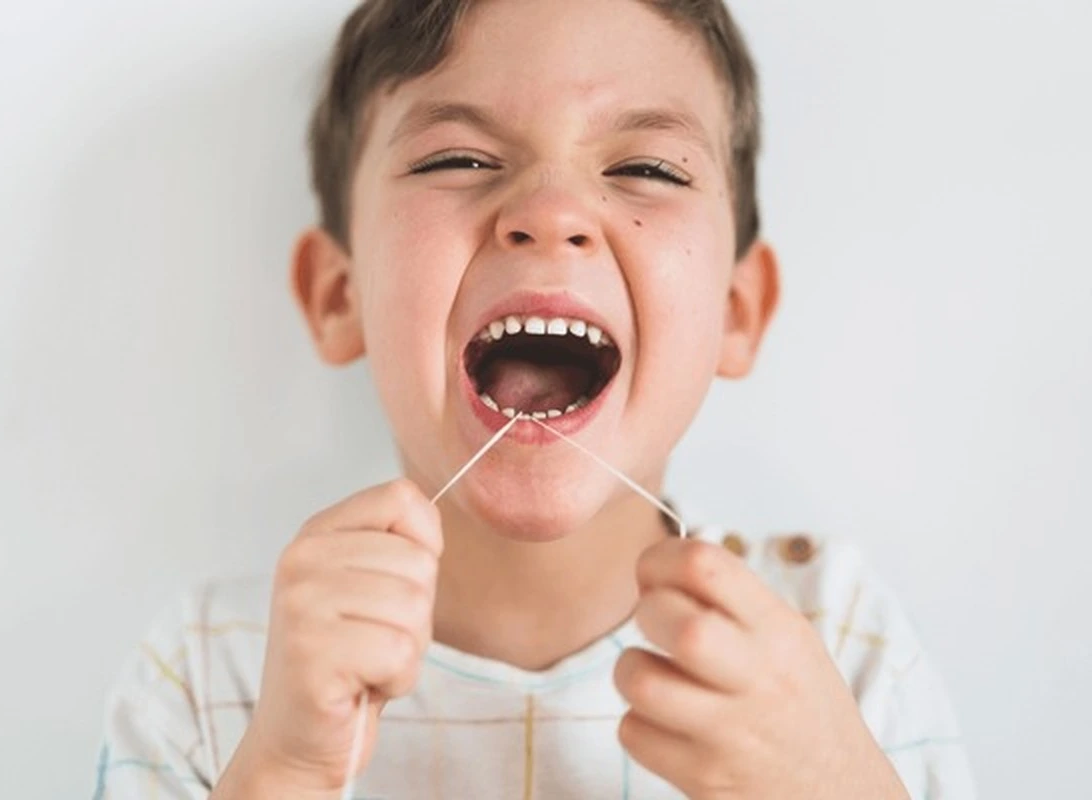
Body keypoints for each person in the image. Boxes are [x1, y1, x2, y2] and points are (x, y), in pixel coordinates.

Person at [95, 0, 977, 797]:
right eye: (458, 157)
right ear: (339, 295)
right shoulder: (214, 675)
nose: (550, 212)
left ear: (736, 313)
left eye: (646, 169)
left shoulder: (836, 642)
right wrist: (283, 772)